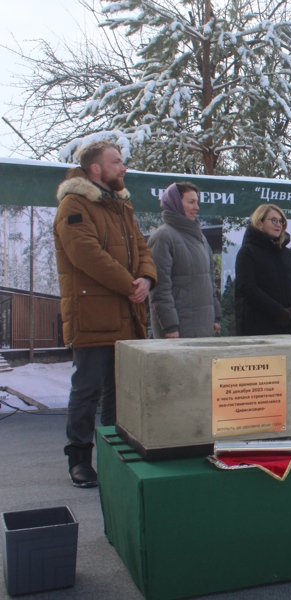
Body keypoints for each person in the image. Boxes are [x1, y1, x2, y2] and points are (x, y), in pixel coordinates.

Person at [54, 139, 157, 487]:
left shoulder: (120, 205)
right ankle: (79, 460)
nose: (123, 168)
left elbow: (141, 246)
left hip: (126, 315)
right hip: (92, 316)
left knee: (120, 390)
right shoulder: (73, 203)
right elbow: (86, 254)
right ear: (95, 168)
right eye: (116, 162)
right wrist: (131, 284)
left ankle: (114, 455)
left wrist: (145, 278)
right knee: (87, 390)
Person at [148, 182, 222, 339]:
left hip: (204, 327)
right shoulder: (163, 237)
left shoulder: (200, 237)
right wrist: (170, 326)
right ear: (175, 203)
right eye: (191, 202)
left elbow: (209, 281)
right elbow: (160, 288)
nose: (197, 207)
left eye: (196, 202)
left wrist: (215, 316)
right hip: (177, 330)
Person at [234, 204, 291, 336]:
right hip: (259, 327)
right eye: (273, 220)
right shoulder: (247, 252)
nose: (278, 224)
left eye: (281, 221)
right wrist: (278, 313)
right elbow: (248, 287)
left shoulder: (288, 254)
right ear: (260, 223)